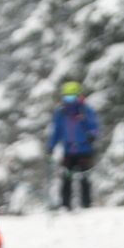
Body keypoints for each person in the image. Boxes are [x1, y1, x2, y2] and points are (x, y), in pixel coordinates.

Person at [47, 80, 100, 210]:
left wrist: (92, 134)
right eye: (66, 97)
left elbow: (94, 125)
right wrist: (51, 145)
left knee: (84, 178)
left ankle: (86, 204)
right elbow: (57, 131)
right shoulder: (61, 113)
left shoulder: (86, 111)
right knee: (66, 178)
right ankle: (66, 205)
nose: (69, 101)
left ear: (78, 97)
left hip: (84, 150)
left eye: (72, 97)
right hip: (68, 151)